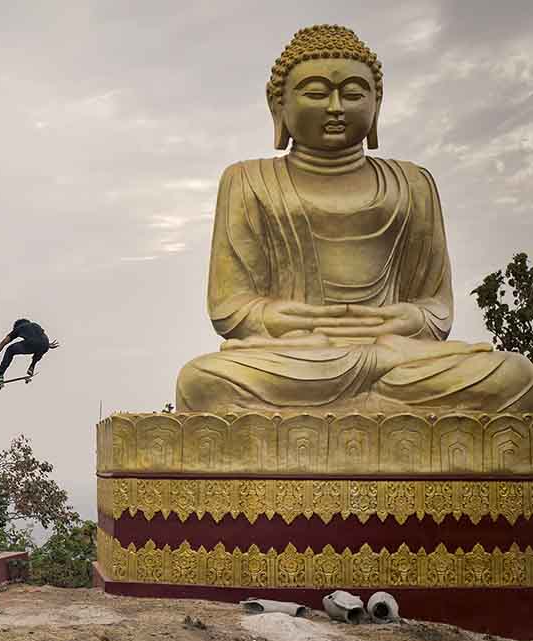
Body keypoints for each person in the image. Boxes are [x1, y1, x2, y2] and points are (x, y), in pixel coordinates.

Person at [174, 24, 533, 414]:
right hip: (298, 357)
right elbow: (230, 307)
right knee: (203, 382)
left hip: (398, 355)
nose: (335, 108)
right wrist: (279, 318)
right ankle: (385, 415)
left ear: (377, 103)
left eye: (353, 94)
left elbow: (436, 308)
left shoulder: (412, 184)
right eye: (315, 92)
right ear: (277, 105)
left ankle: (353, 413)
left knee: (515, 374)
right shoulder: (248, 181)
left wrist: (405, 319)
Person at [0, 318, 59, 384]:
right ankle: (32, 366)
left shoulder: (18, 328)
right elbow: (41, 336)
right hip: (45, 343)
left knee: (10, 350)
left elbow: (3, 342)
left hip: (32, 344)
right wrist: (48, 345)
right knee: (40, 349)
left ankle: (0, 375)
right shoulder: (35, 324)